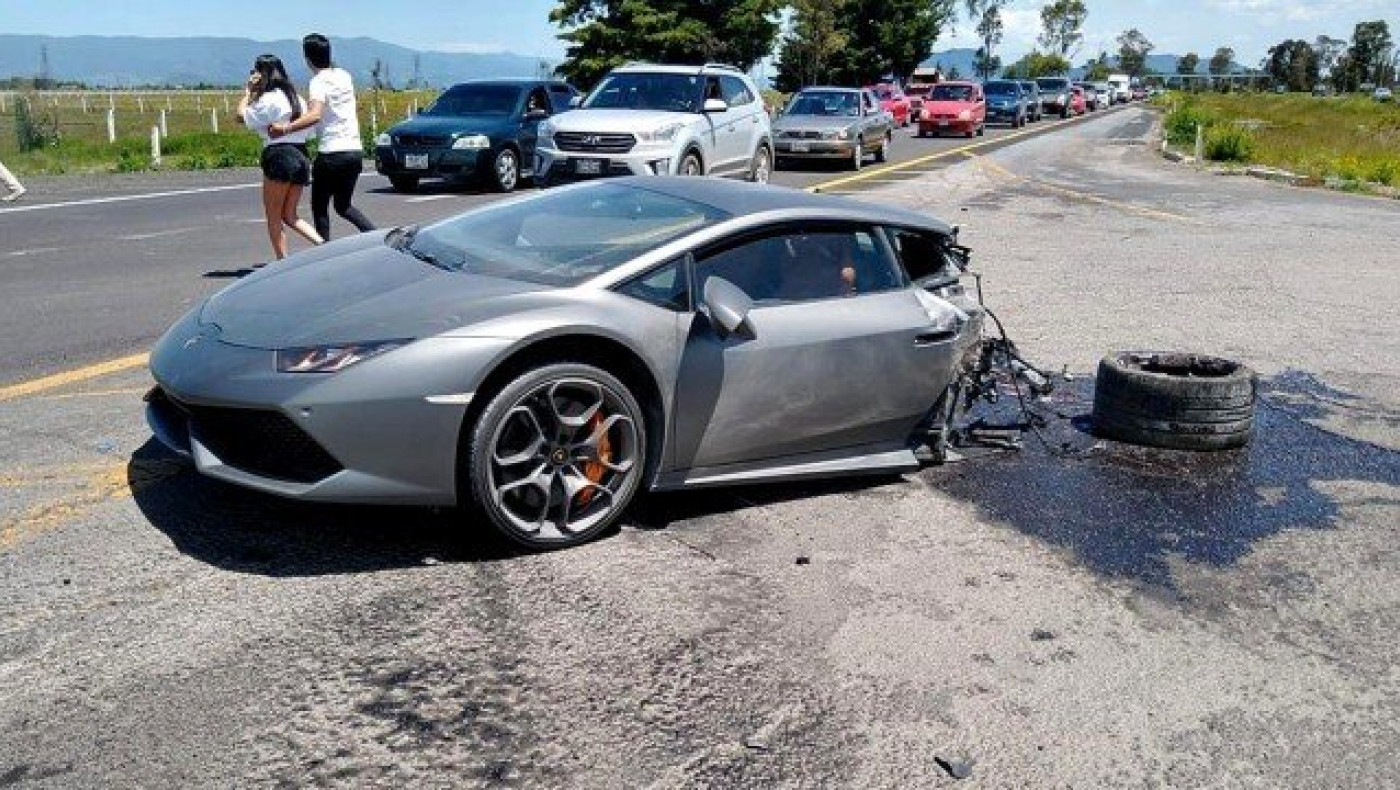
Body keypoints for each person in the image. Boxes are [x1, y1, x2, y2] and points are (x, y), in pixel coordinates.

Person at [270, 34, 375, 242]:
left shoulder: (317, 82)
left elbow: (315, 114)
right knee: (344, 206)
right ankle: (375, 236)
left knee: (320, 208)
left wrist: (285, 128)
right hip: (354, 150)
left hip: (331, 153)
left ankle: (324, 254)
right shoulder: (344, 75)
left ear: (307, 58)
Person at [238, 54, 323, 259]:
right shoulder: (297, 98)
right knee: (291, 215)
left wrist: (248, 92)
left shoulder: (268, 99)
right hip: (301, 154)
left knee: (274, 215)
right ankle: (323, 245)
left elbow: (241, 116)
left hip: (279, 155)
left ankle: (281, 262)